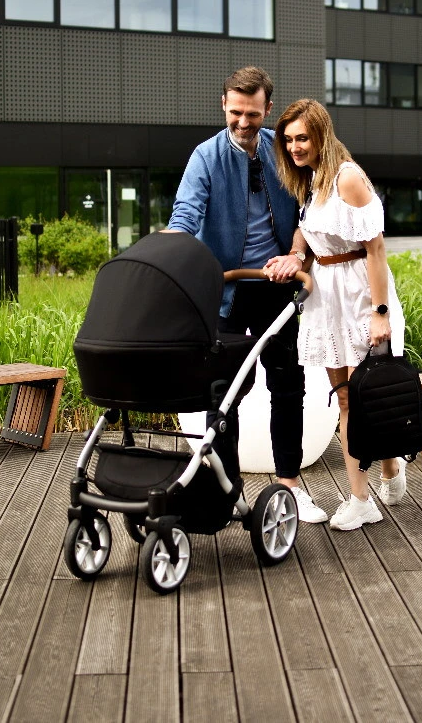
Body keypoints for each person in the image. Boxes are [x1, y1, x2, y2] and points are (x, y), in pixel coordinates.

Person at [166, 67, 327, 523]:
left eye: (252, 114)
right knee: (223, 392)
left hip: (276, 287)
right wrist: (172, 248)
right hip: (227, 290)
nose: (242, 121)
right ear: (223, 105)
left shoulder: (283, 148)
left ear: (267, 109)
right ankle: (227, 490)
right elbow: (186, 212)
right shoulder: (205, 157)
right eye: (235, 112)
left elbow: (309, 207)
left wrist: (296, 255)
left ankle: (290, 486)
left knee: (287, 385)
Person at [266, 98, 407, 531]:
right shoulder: (310, 180)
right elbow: (308, 231)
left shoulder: (348, 178)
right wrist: (295, 255)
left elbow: (376, 249)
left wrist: (380, 312)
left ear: (322, 136)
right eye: (288, 140)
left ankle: (374, 485)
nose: (294, 147)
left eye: (302, 138)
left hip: (360, 293)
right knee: (345, 398)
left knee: (369, 396)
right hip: (325, 296)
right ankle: (373, 486)